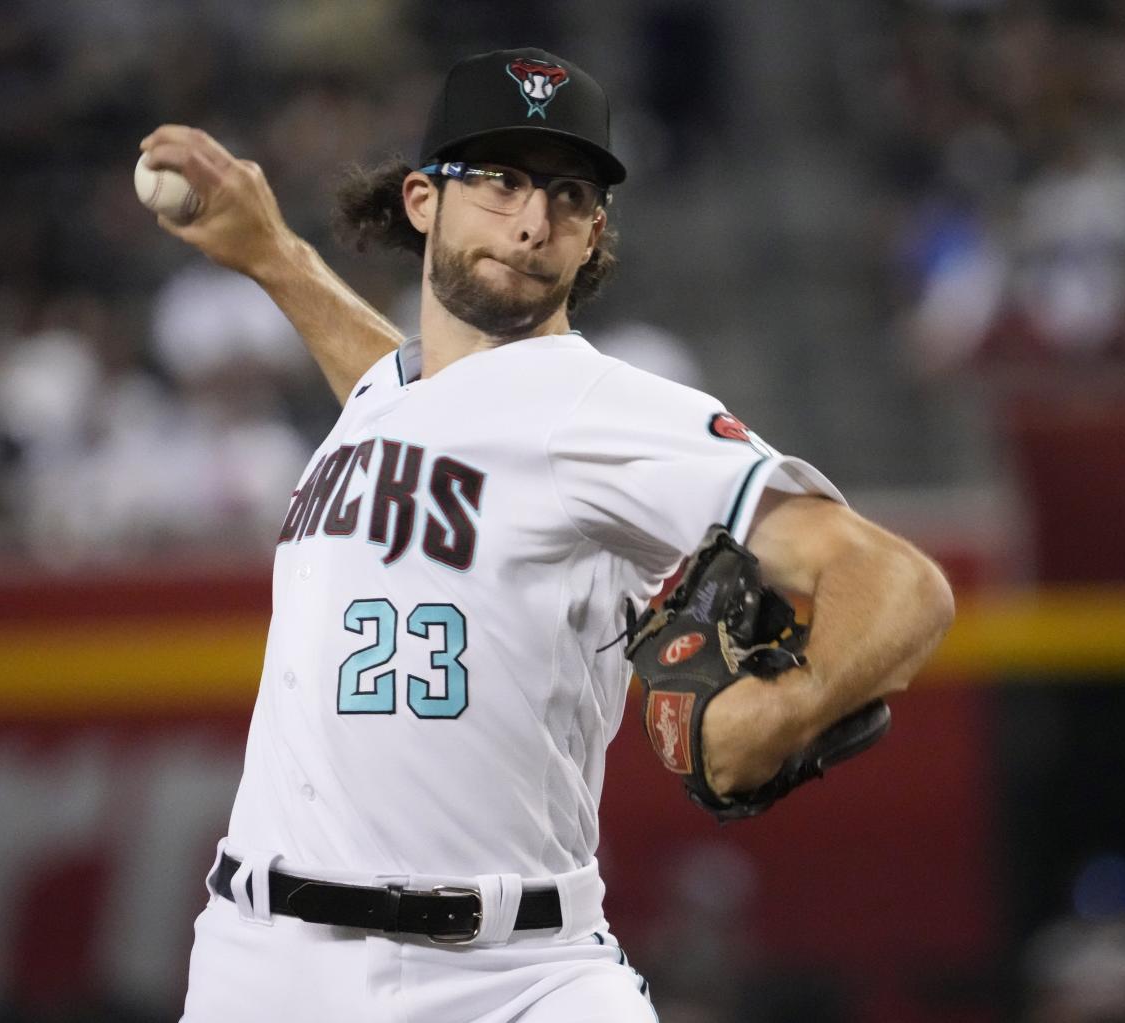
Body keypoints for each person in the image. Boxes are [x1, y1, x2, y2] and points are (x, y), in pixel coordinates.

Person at [141, 47, 955, 1023]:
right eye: (499, 182)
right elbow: (414, 393)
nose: (533, 220)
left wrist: (781, 714)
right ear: (421, 200)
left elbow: (902, 587)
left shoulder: (605, 409)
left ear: (594, 232)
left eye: (568, 195)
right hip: (260, 960)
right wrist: (275, 256)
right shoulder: (390, 397)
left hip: (514, 976)